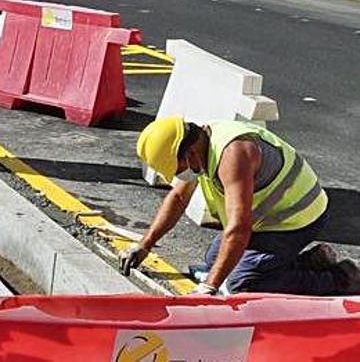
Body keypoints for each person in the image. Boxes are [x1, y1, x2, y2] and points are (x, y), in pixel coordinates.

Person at [120, 116, 359, 295]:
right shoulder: (200, 145)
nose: (180, 176)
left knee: (242, 283)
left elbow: (238, 229)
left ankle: (342, 278)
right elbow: (178, 198)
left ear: (190, 154)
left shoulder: (233, 155)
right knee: (217, 260)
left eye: (178, 169)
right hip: (265, 220)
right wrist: (144, 245)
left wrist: (208, 288)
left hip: (297, 218)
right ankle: (312, 262)